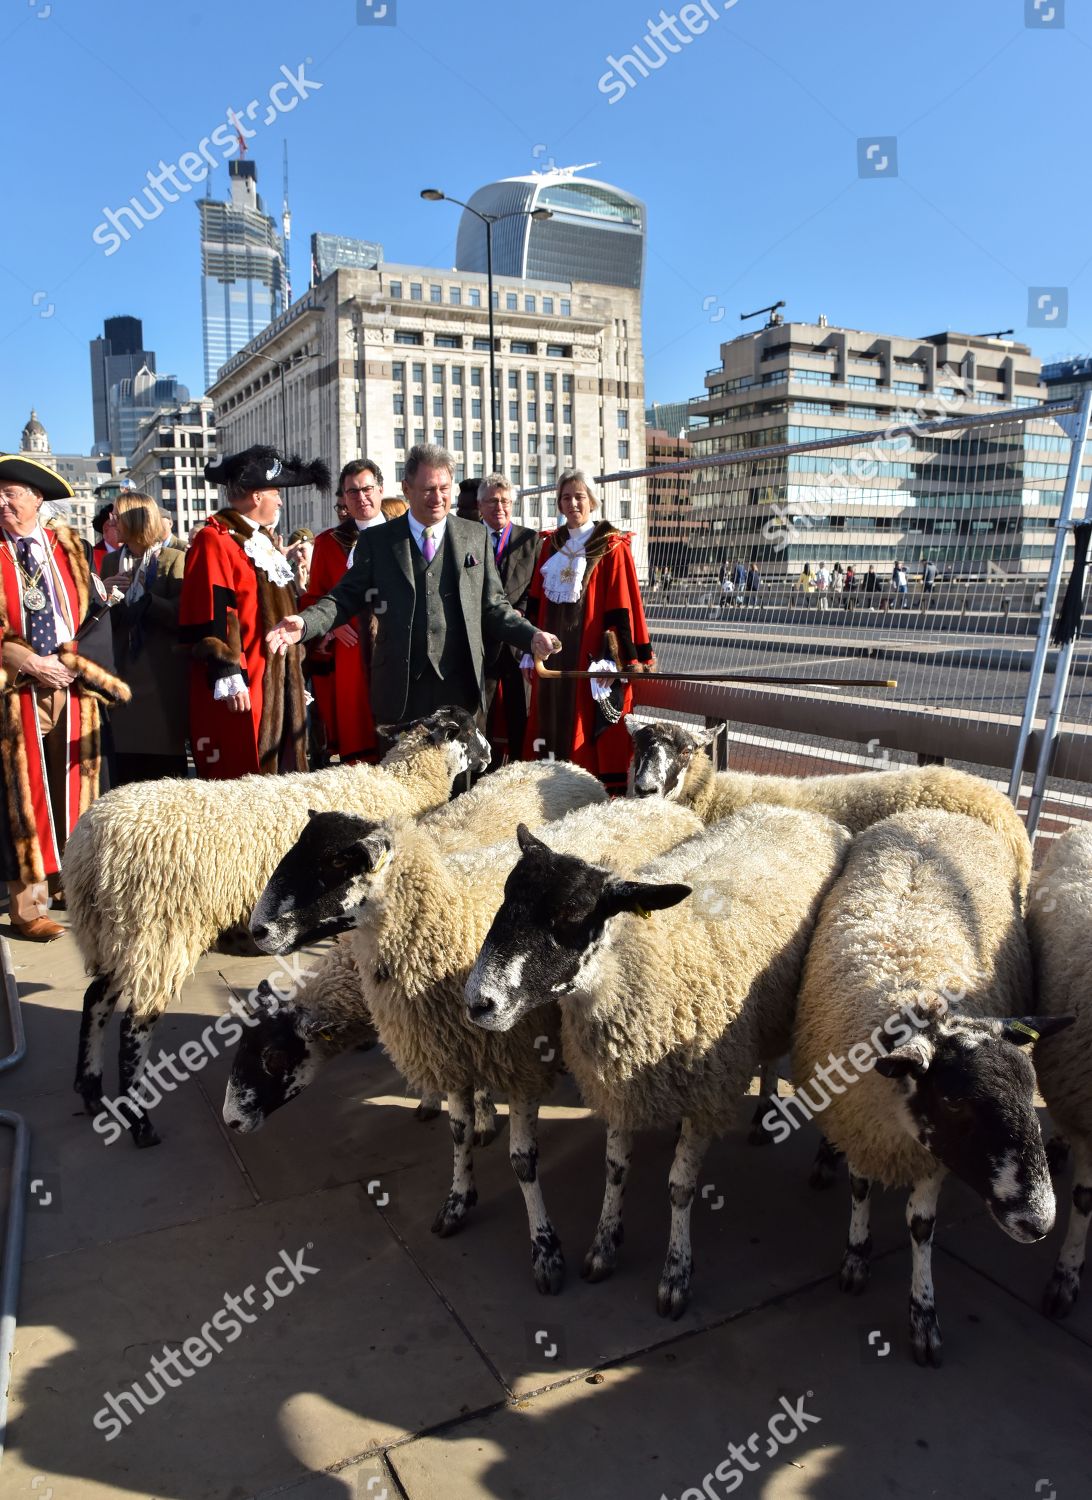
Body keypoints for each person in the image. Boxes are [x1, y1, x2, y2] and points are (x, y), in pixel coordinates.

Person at [265, 443, 560, 727]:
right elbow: (343, 598)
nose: (437, 497)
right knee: (400, 776)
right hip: (400, 689)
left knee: (457, 778)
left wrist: (530, 636)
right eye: (428, 489)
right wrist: (305, 624)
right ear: (407, 489)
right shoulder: (378, 541)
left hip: (461, 688)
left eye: (444, 489)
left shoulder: (474, 536)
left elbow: (494, 607)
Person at [0, 454, 129, 939]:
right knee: (23, 796)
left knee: (75, 789)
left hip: (70, 685)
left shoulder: (68, 547)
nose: (2, 502)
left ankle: (71, 887)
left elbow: (94, 614)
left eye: (10, 493)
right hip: (15, 689)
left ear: (36, 498)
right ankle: (27, 906)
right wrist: (25, 661)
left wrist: (73, 665)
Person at [179, 444, 330, 779]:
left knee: (282, 773)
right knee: (243, 777)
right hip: (246, 683)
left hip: (277, 678)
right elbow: (212, 608)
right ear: (258, 495)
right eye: (276, 493)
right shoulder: (215, 539)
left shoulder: (259, 541)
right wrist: (227, 672)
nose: (279, 501)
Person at [522, 468, 654, 795]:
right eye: (566, 497)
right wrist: (528, 650)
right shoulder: (550, 545)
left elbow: (621, 608)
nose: (572, 503)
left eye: (579, 496)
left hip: (590, 657)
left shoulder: (610, 545)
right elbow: (536, 601)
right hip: (552, 657)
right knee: (548, 724)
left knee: (586, 721)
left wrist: (615, 660)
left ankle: (587, 792)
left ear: (592, 502)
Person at [302, 459, 387, 766]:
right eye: (352, 491)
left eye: (367, 489)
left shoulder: (403, 534)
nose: (361, 497)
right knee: (358, 733)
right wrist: (334, 626)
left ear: (380, 490)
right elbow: (315, 596)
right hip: (350, 650)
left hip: (395, 646)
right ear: (344, 498)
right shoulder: (328, 542)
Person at [100, 492, 188, 784]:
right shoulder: (112, 563)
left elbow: (184, 616)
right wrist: (103, 596)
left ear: (135, 520)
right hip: (123, 680)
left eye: (117, 515)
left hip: (162, 681)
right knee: (126, 773)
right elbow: (100, 622)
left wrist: (149, 602)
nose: (111, 521)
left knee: (163, 777)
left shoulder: (174, 559)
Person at [477, 474, 539, 769]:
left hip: (516, 643)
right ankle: (480, 774)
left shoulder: (531, 540)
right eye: (492, 500)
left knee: (519, 713)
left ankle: (517, 771)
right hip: (480, 643)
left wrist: (522, 612)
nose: (498, 506)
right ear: (480, 505)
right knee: (481, 714)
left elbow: (535, 585)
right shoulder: (468, 537)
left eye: (504, 500)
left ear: (512, 503)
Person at [285, 528, 314, 594]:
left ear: (313, 547)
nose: (298, 555)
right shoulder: (290, 577)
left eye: (302, 549)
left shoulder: (324, 574)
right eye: (294, 552)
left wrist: (300, 588)